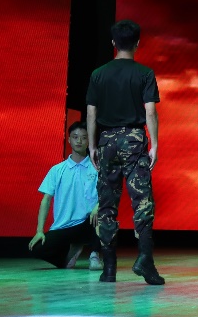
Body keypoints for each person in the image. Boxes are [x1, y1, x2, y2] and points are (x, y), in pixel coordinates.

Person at [87, 19, 164, 285]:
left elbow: (91, 112)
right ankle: (145, 260)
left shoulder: (98, 74)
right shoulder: (145, 73)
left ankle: (109, 269)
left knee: (107, 204)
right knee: (142, 201)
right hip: (134, 139)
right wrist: (154, 144)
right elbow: (150, 112)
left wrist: (92, 145)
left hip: (106, 140)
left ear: (113, 43)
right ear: (138, 43)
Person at [29, 121, 101, 271]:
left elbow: (109, 193)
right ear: (69, 140)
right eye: (75, 137)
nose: (79, 141)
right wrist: (39, 231)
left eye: (84, 137)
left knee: (105, 216)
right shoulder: (57, 170)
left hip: (88, 223)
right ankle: (69, 254)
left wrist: (98, 205)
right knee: (36, 248)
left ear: (89, 141)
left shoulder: (96, 168)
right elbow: (46, 200)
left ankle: (95, 255)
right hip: (64, 226)